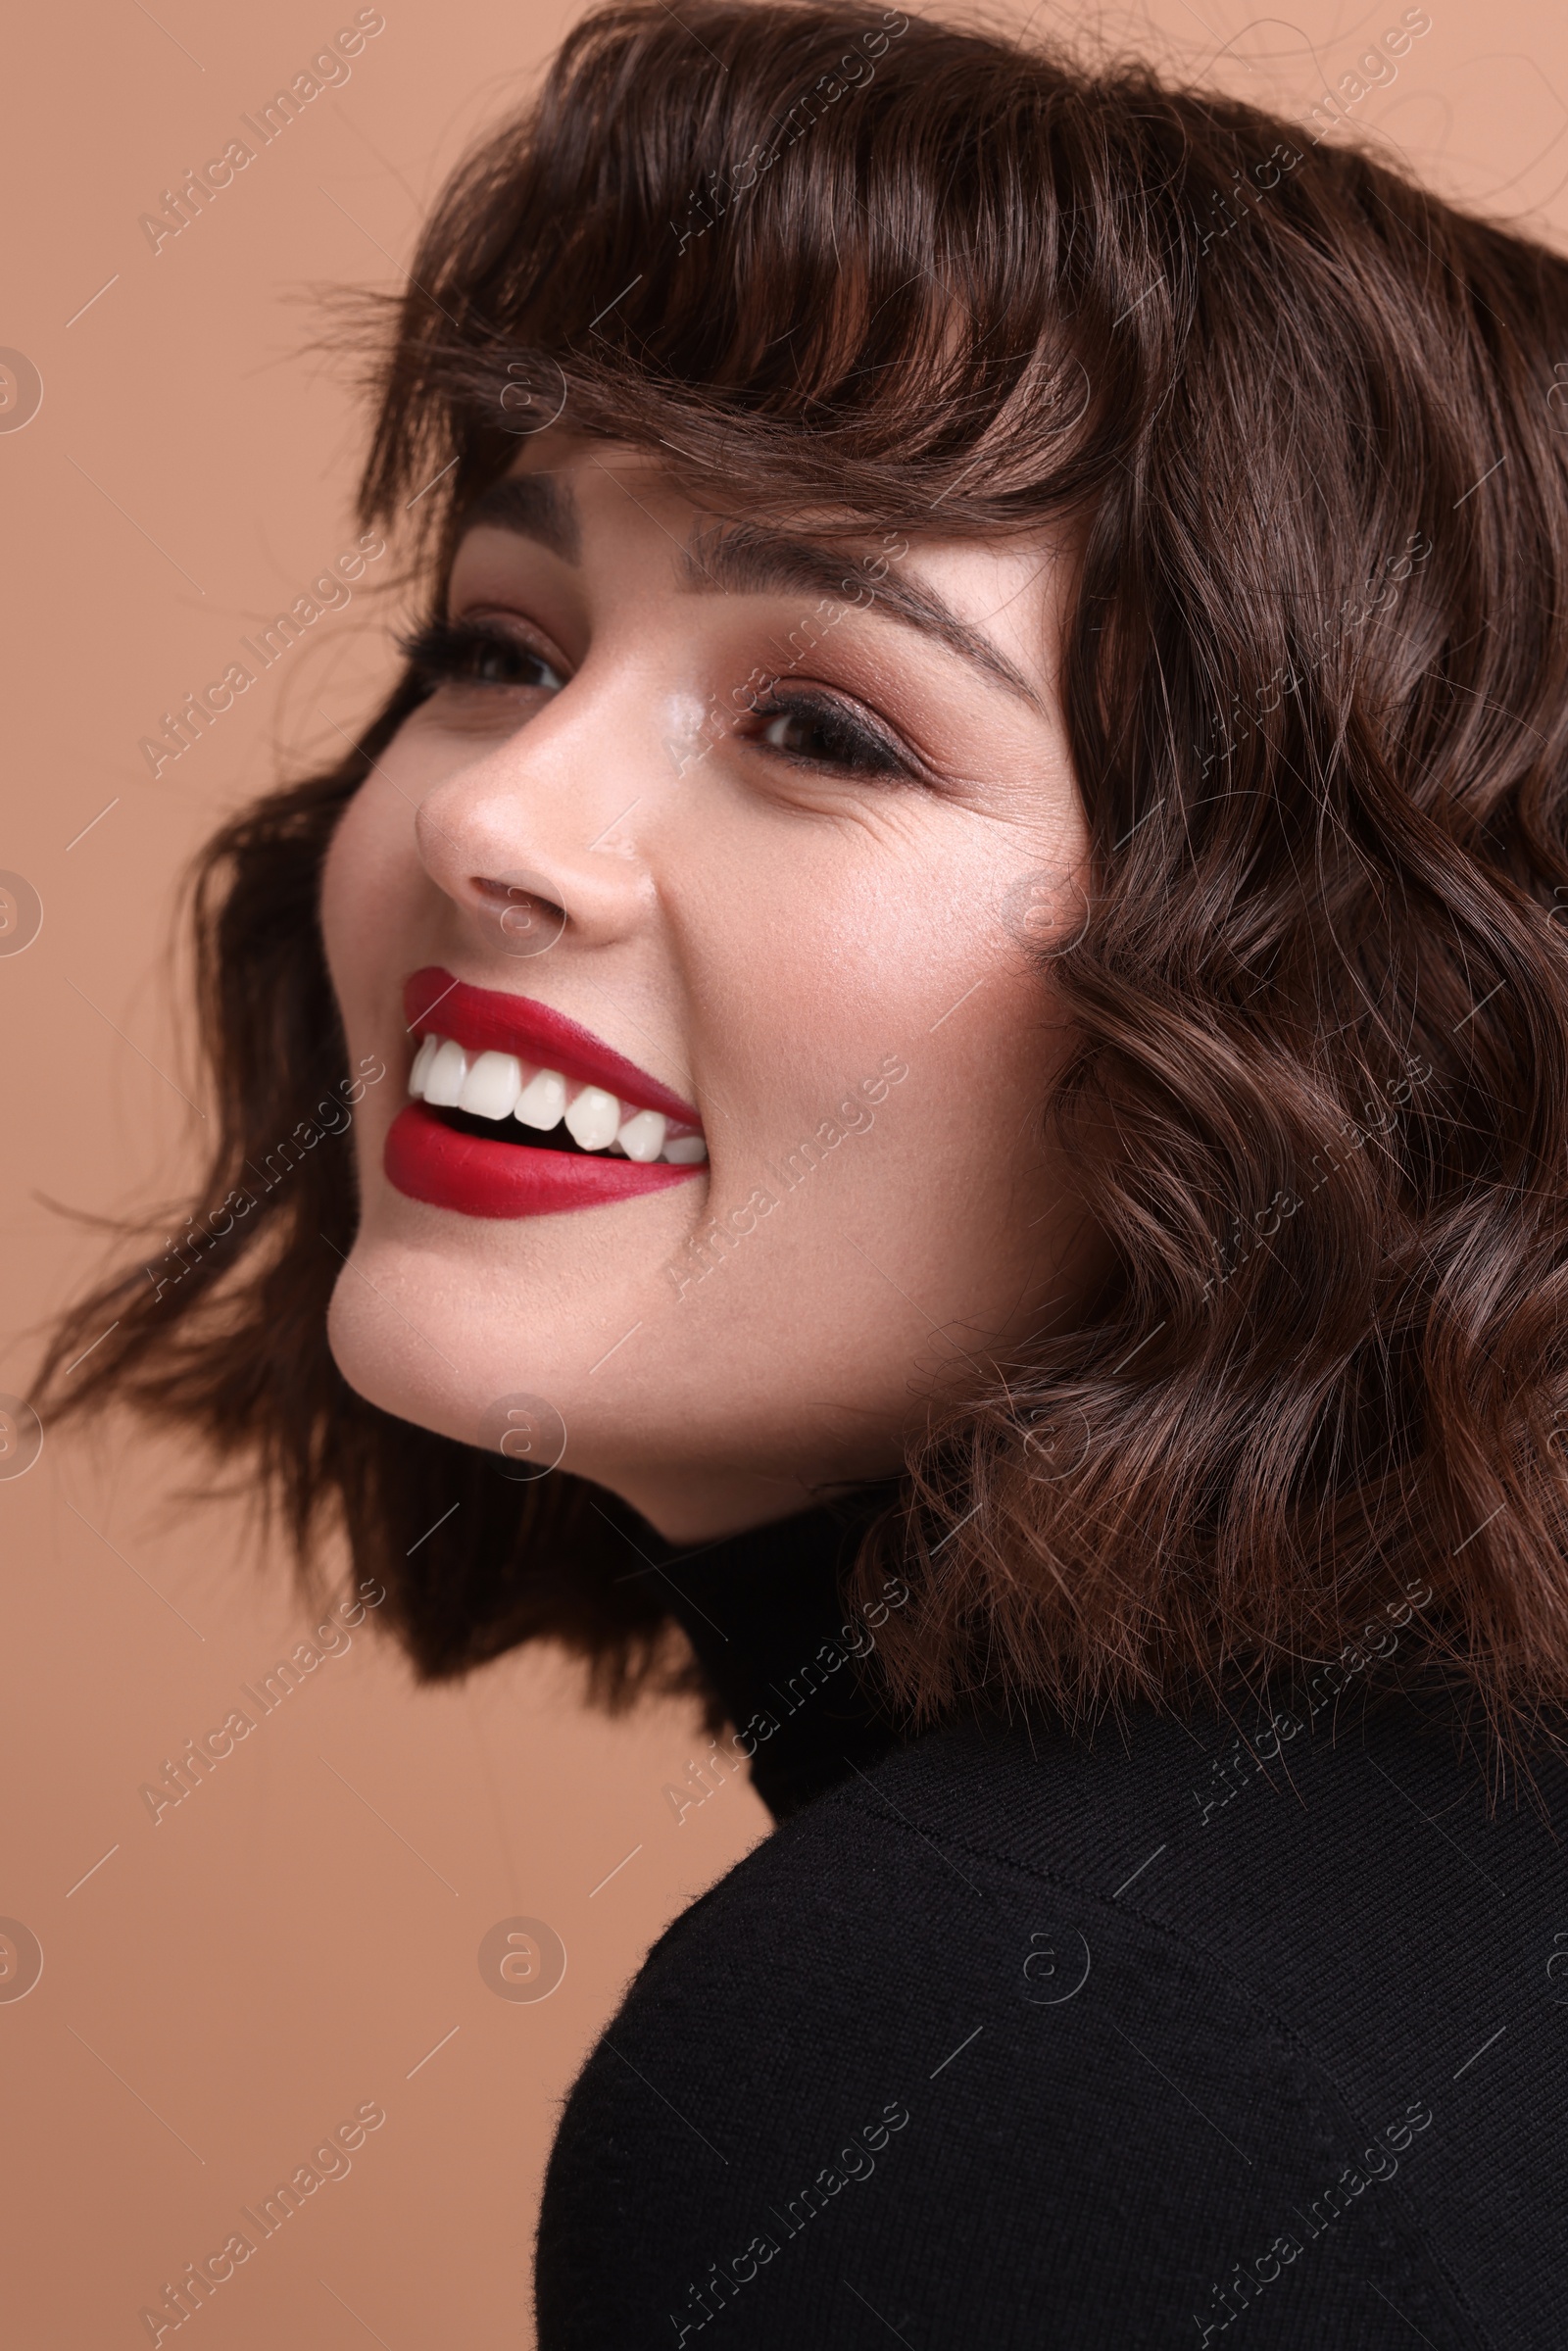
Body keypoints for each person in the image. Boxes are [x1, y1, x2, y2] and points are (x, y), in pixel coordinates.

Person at [43, 1, 1568, 2340]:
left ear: (1349, 1016)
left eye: (821, 723)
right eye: (494, 642)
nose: (484, 816)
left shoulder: (997, 2071)